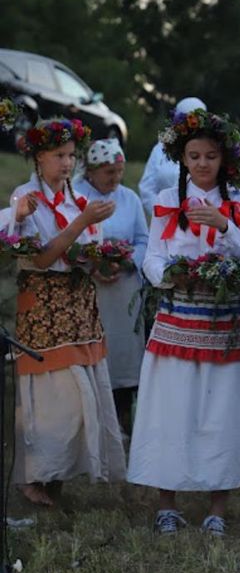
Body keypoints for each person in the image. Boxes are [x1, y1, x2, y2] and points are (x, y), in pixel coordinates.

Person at [127, 109, 240, 536]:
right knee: (173, 410)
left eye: (210, 156)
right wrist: (170, 275)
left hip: (223, 323)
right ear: (182, 159)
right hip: (178, 316)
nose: (202, 164)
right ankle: (167, 504)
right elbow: (152, 256)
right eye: (194, 156)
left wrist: (223, 225)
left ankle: (216, 508)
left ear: (224, 160)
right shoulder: (168, 201)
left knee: (219, 412)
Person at [11, 119, 126, 506]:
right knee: (55, 396)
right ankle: (34, 478)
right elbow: (41, 259)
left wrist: (103, 261)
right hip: (45, 307)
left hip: (79, 307)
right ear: (39, 157)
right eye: (59, 155)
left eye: (71, 156)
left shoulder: (77, 200)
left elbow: (82, 253)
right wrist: (82, 223)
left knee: (83, 396)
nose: (67, 163)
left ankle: (57, 477)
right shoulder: (25, 199)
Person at [75, 138, 149, 435]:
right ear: (91, 171)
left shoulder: (129, 198)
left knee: (123, 352)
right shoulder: (77, 196)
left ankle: (124, 415)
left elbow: (143, 240)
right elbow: (71, 235)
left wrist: (128, 260)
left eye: (118, 171)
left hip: (123, 289)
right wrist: (91, 263)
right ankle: (92, 419)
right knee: (93, 350)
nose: (115, 178)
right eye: (108, 172)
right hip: (90, 289)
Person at [138, 96, 207, 215]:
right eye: (186, 120)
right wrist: (164, 213)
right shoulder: (161, 147)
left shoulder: (211, 149)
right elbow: (146, 188)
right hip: (166, 220)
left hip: (203, 219)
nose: (191, 125)